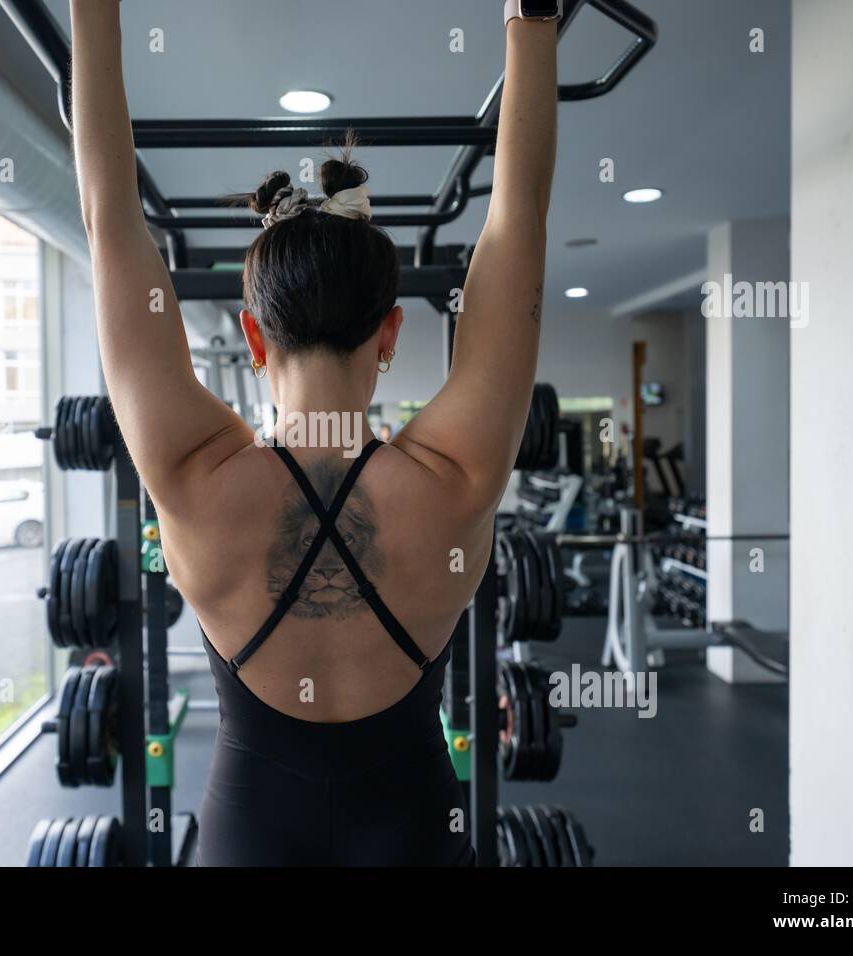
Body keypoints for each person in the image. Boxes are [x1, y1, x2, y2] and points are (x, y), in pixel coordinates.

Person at [69, 0, 557, 865]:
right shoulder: (458, 476)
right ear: (391, 334)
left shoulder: (192, 476)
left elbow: (111, 221)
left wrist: (94, 12)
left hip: (249, 834)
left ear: (254, 339)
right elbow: (516, 220)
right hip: (416, 833)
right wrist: (530, 26)